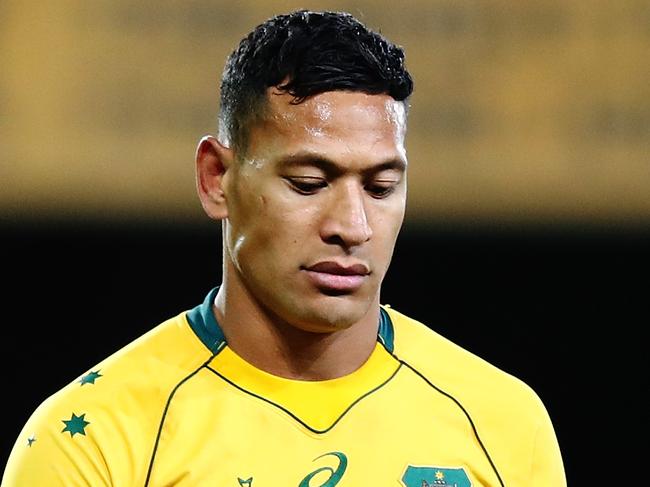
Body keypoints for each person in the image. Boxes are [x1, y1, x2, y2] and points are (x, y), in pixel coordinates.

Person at [2, 9, 566, 487]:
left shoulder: (503, 424)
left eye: (380, 187)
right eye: (308, 184)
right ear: (216, 179)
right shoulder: (92, 438)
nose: (352, 226)